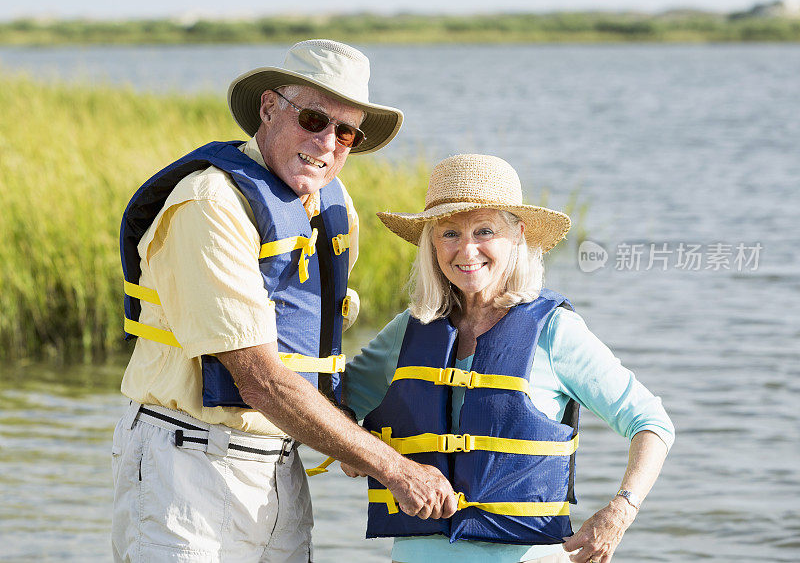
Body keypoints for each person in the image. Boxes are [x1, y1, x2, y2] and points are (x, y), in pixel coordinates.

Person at [112, 39, 458, 563]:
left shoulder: (334, 210)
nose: (327, 143)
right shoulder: (210, 203)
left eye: (346, 132)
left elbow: (311, 352)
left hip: (281, 468)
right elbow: (258, 376)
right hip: (186, 465)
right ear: (269, 109)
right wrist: (392, 466)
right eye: (314, 119)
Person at [342, 154, 675, 563]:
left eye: (485, 231)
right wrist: (361, 454)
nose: (467, 250)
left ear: (517, 235)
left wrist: (620, 511)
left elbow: (652, 423)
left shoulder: (555, 331)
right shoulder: (408, 331)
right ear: (431, 241)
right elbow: (330, 406)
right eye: (450, 233)